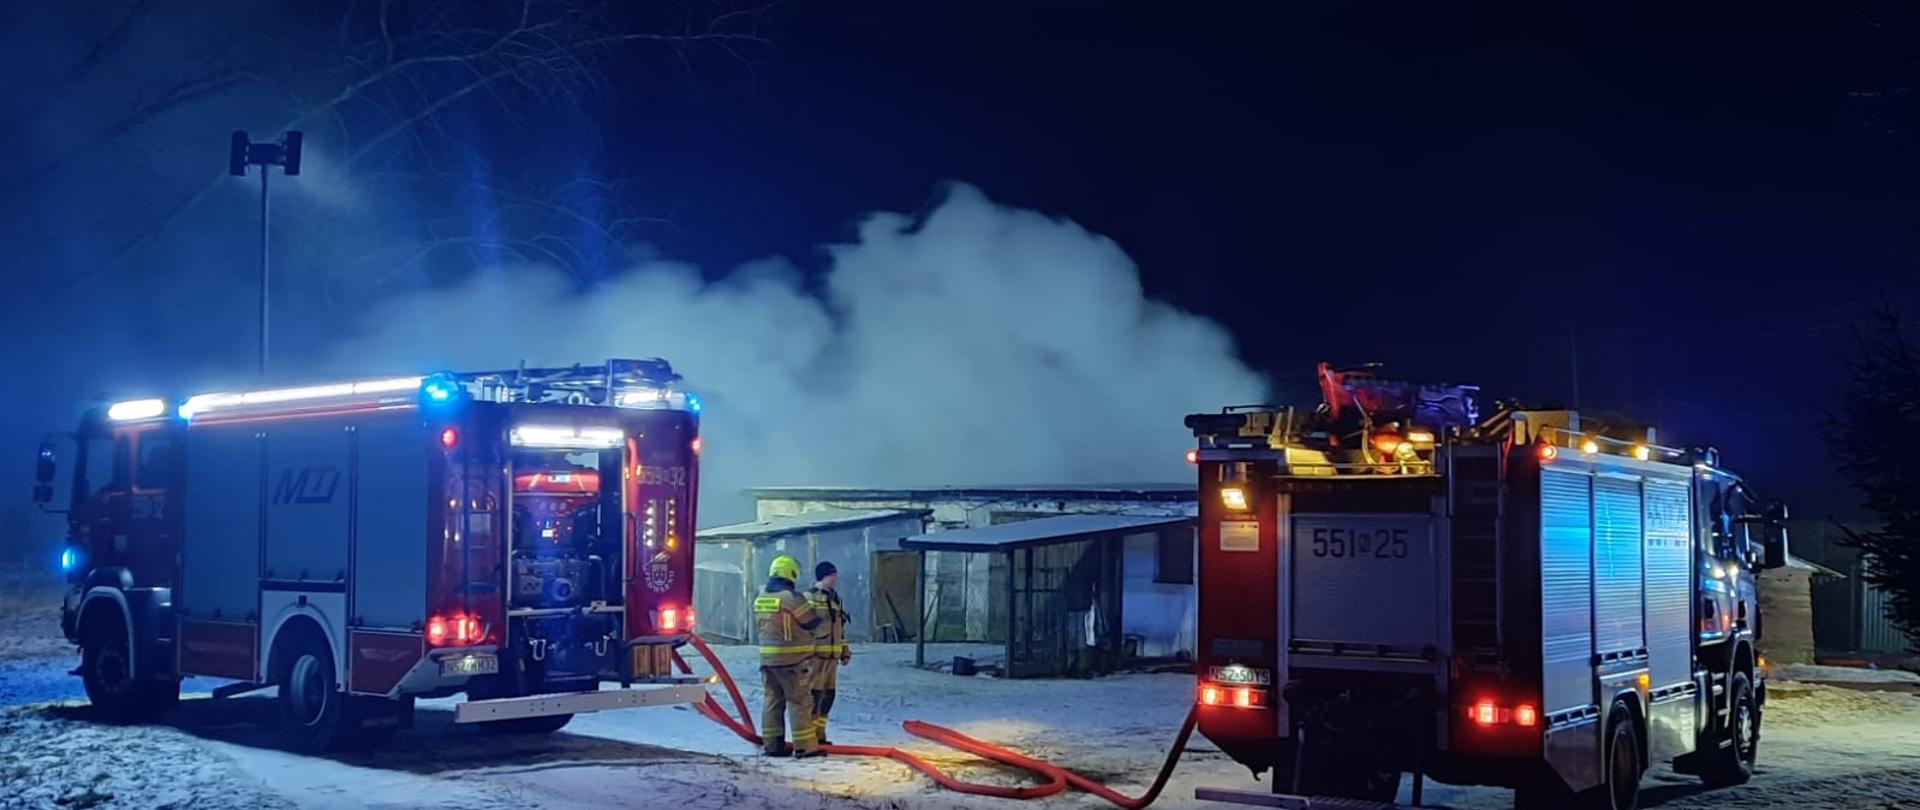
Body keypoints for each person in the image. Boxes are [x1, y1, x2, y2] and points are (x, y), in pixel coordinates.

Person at [754, 554, 825, 757]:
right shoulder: (791, 598)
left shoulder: (761, 596)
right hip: (791, 661)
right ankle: (806, 747)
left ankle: (773, 746)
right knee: (799, 702)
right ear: (791, 573)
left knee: (772, 701)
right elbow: (811, 622)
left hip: (767, 661)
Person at [806, 561, 852, 745]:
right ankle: (809, 735)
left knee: (828, 695)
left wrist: (844, 651)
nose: (835, 579)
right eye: (831, 575)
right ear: (822, 576)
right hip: (815, 657)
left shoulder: (835, 599)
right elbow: (803, 628)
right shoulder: (809, 598)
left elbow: (840, 628)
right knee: (814, 696)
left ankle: (820, 732)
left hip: (832, 658)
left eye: (835, 575)